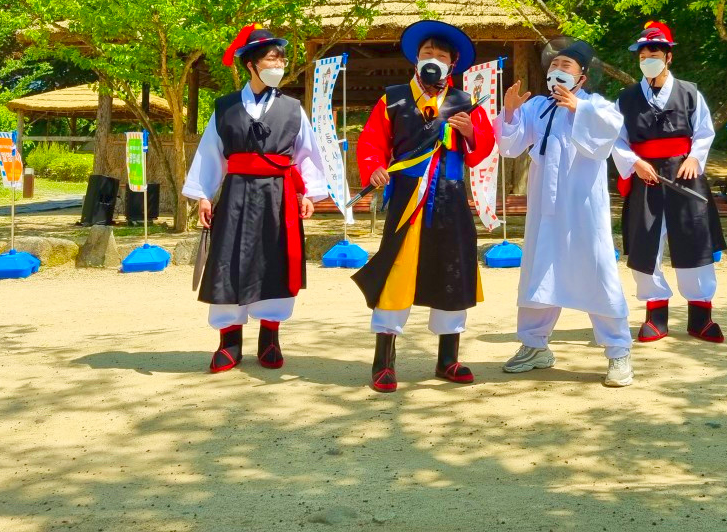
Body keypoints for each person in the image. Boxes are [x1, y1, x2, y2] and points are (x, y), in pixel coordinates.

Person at [352, 20, 496, 392]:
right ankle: (384, 360)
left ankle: (448, 359)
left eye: (441, 55)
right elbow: (371, 143)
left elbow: (481, 150)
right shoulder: (394, 98)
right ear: (416, 59)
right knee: (397, 269)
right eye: (427, 53)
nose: (433, 58)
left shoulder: (465, 102)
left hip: (450, 197)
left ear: (453, 63)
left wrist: (469, 131)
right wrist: (374, 167)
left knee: (453, 270)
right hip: (407, 198)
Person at [182, 26, 330, 373]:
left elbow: (307, 153)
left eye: (281, 58)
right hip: (235, 193)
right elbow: (210, 153)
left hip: (278, 196)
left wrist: (309, 192)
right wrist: (204, 195)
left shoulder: (292, 109)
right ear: (251, 64)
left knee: (274, 261)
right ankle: (229, 341)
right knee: (228, 261)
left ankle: (270, 338)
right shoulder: (226, 107)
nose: (278, 64)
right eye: (271, 58)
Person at [496, 40, 634, 388]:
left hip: (583, 208)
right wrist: (510, 113)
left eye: (566, 66)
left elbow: (606, 139)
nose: (557, 70)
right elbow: (510, 146)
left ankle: (618, 351)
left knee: (598, 272)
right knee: (538, 272)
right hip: (545, 209)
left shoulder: (597, 106)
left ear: (582, 77)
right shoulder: (537, 106)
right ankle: (534, 345)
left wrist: (578, 109)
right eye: (554, 64)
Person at [612, 21, 727, 344]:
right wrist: (634, 163)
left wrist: (695, 158)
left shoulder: (689, 93)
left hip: (685, 175)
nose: (647, 59)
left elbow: (704, 131)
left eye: (654, 54)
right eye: (642, 56)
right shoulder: (626, 98)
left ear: (668, 57)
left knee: (694, 239)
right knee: (645, 241)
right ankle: (655, 315)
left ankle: (701, 316)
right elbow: (617, 139)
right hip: (645, 176)